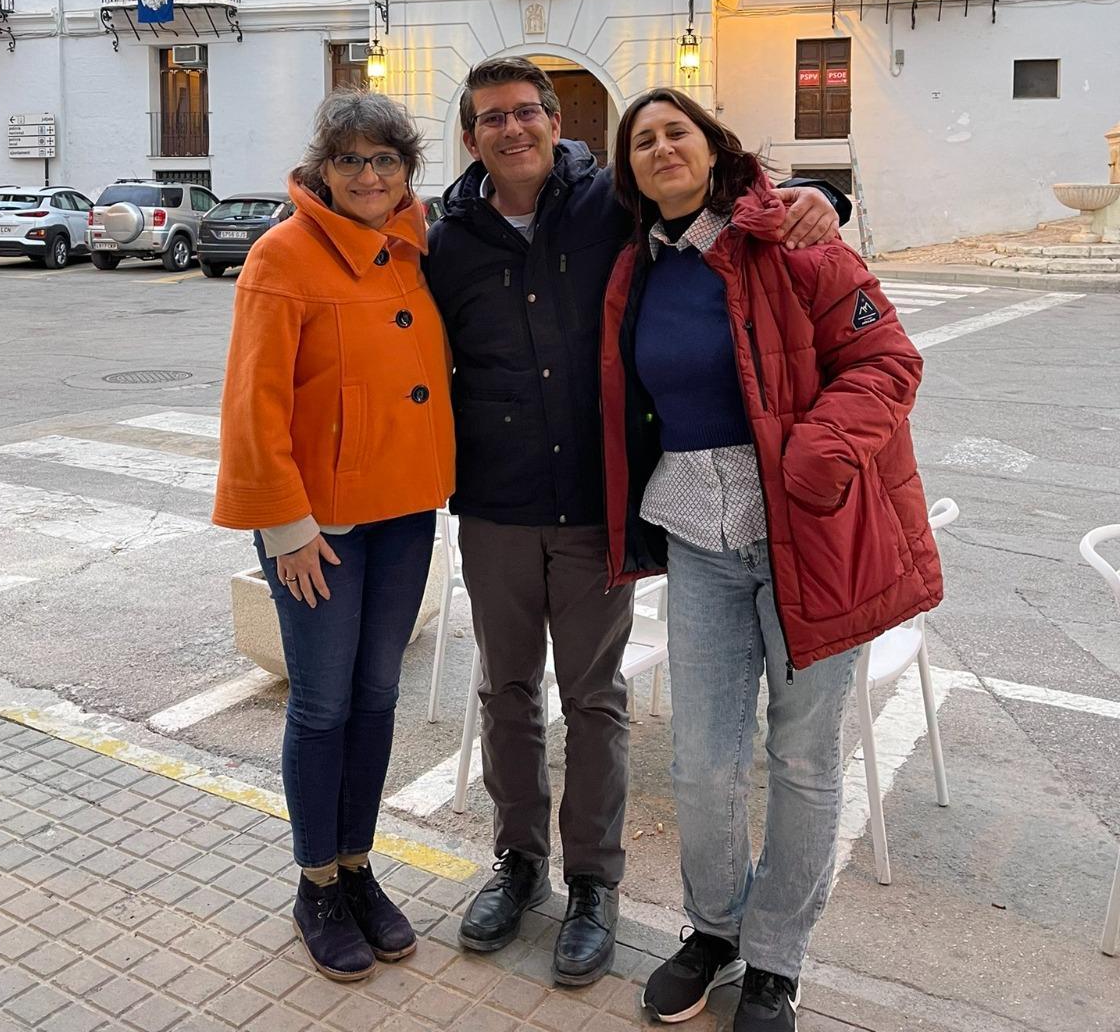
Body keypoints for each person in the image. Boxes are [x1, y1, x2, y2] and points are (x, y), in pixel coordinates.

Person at [424, 57, 848, 988]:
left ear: (555, 120)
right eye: (492, 118)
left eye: (528, 111)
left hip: (594, 506)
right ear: (470, 138)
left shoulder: (607, 203)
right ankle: (519, 862)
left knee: (595, 700)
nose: (513, 129)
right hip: (495, 503)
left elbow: (716, 193)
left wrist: (815, 196)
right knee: (504, 695)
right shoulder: (444, 235)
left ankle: (593, 885)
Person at [600, 88, 943, 1030]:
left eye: (678, 132)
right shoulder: (636, 267)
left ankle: (776, 960)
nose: (662, 148)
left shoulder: (794, 239)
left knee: (800, 761)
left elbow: (889, 360)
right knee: (705, 764)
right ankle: (714, 930)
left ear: (713, 149)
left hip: (810, 540)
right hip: (701, 543)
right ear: (628, 170)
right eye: (642, 141)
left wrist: (818, 452)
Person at [213, 90, 454, 984]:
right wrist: (285, 526)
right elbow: (253, 405)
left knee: (379, 694)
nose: (368, 175)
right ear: (322, 166)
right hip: (317, 528)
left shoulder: (411, 246)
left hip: (403, 516)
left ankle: (358, 865)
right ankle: (316, 883)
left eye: (386, 160)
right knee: (322, 703)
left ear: (405, 173)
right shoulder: (283, 255)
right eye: (350, 159)